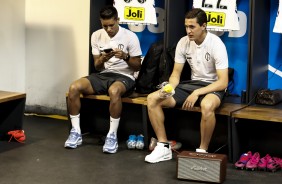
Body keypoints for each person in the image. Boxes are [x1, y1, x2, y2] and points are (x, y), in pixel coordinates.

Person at [145, 8, 229, 163]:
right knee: (152, 99)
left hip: (213, 86)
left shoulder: (216, 44)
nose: (188, 31)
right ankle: (163, 146)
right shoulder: (183, 42)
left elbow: (223, 82)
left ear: (203, 26)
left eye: (192, 27)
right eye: (186, 27)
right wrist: (168, 88)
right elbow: (176, 74)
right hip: (192, 85)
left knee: (207, 105)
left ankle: (202, 151)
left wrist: (197, 93)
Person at [64, 6, 142, 154]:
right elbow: (97, 67)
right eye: (105, 26)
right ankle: (76, 132)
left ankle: (111, 135)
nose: (108, 29)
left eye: (111, 25)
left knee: (114, 91)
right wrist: (103, 58)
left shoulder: (130, 36)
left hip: (125, 76)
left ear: (118, 20)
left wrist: (125, 56)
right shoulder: (96, 35)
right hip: (104, 74)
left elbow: (137, 66)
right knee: (74, 87)